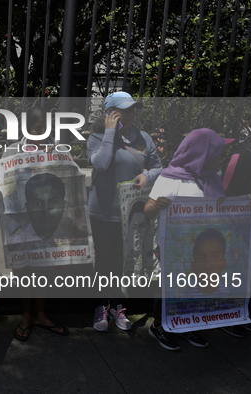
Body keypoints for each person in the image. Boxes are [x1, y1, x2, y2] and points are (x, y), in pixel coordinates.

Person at [144, 128, 237, 350]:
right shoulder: (170, 177)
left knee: (193, 285)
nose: (222, 157)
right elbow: (148, 210)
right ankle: (159, 325)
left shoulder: (212, 178)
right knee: (169, 286)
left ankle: (186, 324)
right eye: (218, 152)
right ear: (201, 155)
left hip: (200, 247)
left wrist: (245, 205)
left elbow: (223, 210)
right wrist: (157, 205)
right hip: (172, 247)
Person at [87, 91, 162, 332]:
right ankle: (101, 305)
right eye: (124, 110)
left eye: (132, 109)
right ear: (110, 113)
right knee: (104, 260)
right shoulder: (97, 136)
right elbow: (101, 163)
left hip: (131, 213)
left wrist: (146, 174)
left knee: (122, 261)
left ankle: (117, 305)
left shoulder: (143, 138)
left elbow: (158, 167)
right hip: (103, 211)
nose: (130, 114)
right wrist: (110, 132)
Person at [1, 106, 69, 341]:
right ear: (26, 129)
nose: (41, 133)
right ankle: (27, 315)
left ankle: (40, 313)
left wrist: (57, 157)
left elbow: (71, 175)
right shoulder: (12, 150)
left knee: (43, 267)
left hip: (46, 222)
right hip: (21, 221)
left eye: (44, 128)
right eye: (36, 128)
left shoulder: (56, 149)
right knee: (24, 269)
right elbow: (5, 183)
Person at [221, 110, 251, 334]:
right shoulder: (243, 154)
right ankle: (228, 317)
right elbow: (223, 192)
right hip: (238, 226)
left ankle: (242, 313)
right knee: (234, 268)